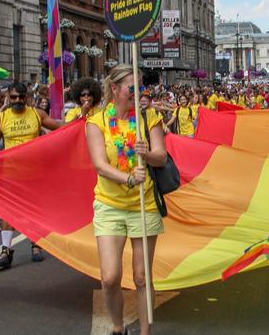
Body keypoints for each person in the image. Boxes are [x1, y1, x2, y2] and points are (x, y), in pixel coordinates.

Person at [86, 65, 167, 335]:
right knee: (109, 278)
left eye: (140, 88)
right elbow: (99, 165)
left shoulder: (148, 117)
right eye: (132, 88)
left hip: (144, 206)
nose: (137, 94)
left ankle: (145, 332)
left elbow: (161, 157)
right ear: (115, 89)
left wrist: (147, 152)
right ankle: (118, 327)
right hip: (110, 206)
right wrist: (128, 178)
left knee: (142, 278)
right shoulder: (96, 122)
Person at [0, 82, 62, 268]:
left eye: (21, 97)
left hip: (35, 173)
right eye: (13, 97)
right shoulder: (1, 118)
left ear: (27, 97)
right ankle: (6, 252)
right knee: (8, 211)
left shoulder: (37, 114)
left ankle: (36, 244)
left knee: (34, 209)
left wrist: (81, 120)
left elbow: (60, 127)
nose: (17, 100)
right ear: (8, 98)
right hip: (11, 174)